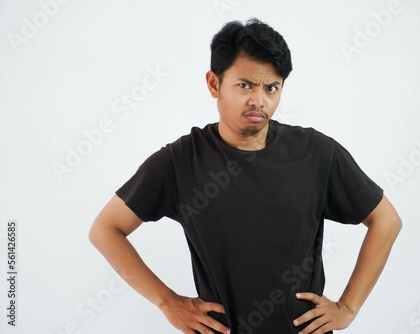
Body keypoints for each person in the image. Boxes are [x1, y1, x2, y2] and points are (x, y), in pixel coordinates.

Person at [89, 18, 402, 334]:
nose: (259, 100)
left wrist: (348, 307)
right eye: (245, 85)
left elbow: (386, 220)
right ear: (214, 84)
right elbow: (105, 229)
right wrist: (167, 302)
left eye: (271, 88)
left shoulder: (317, 153)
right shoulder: (181, 161)